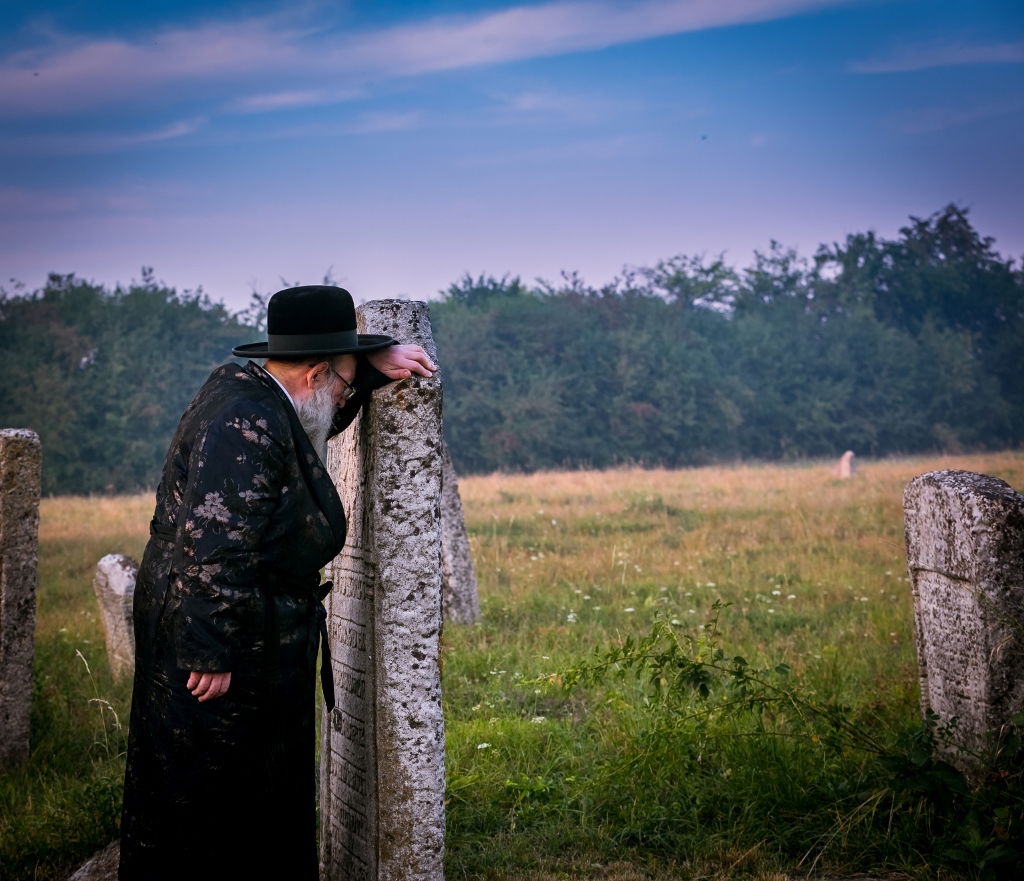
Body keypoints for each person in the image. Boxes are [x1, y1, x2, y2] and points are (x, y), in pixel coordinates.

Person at [119, 285, 436, 881]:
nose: (344, 402)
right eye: (343, 384)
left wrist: (366, 370)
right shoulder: (246, 422)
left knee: (250, 786)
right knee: (215, 792)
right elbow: (215, 543)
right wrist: (209, 651)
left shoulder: (256, 394)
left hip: (244, 626)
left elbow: (321, 412)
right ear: (316, 371)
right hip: (221, 636)